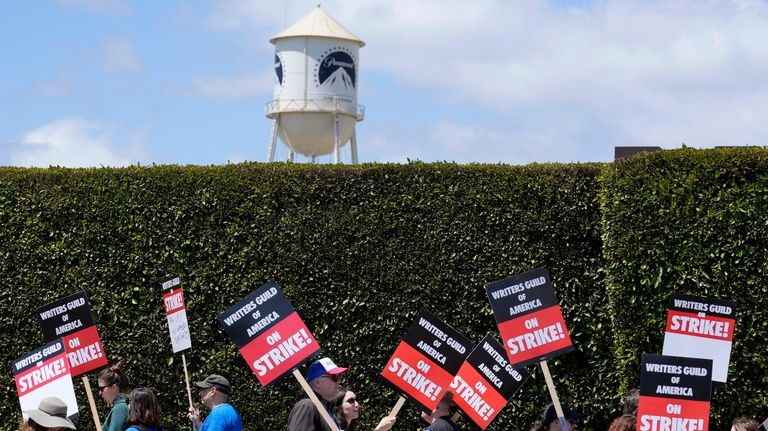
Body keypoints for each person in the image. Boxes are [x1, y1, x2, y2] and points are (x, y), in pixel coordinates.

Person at [288, 357, 349, 431]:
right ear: (318, 382)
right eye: (334, 377)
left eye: (339, 376)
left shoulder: (329, 409)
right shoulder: (306, 406)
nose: (339, 381)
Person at [98, 361, 131, 431]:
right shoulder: (121, 405)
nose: (100, 393)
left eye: (102, 388)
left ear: (113, 388)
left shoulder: (119, 408)